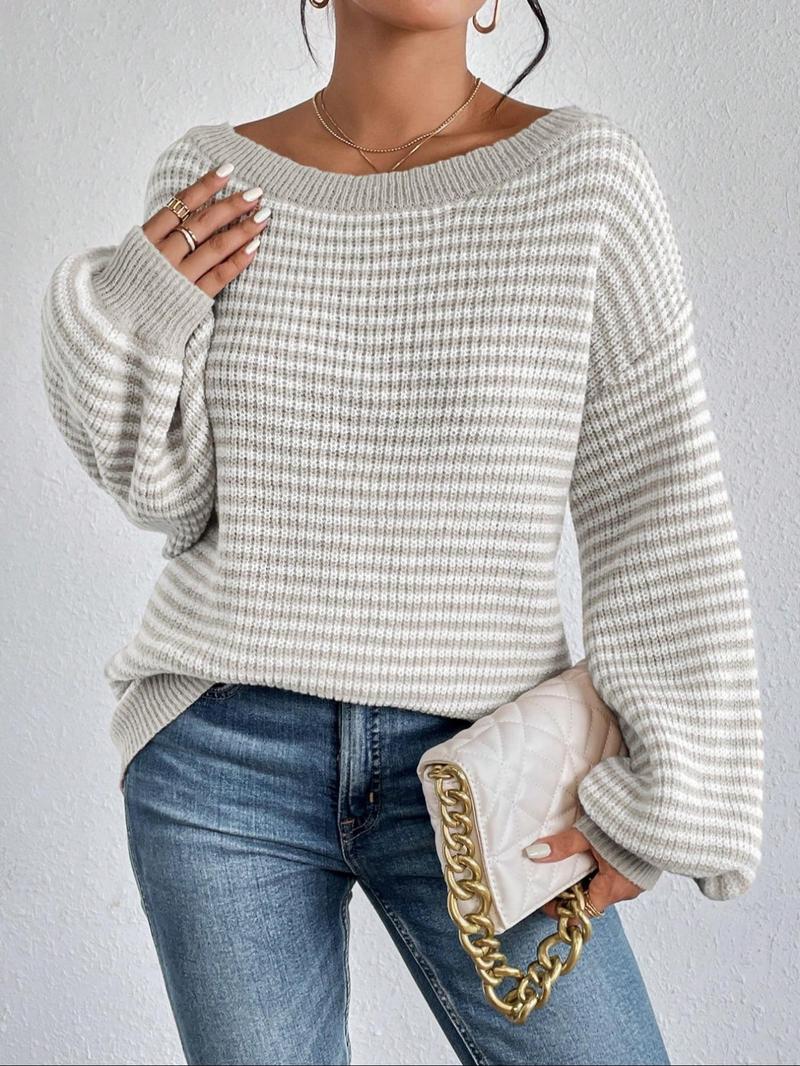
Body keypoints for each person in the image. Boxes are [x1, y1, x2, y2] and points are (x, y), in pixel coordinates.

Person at [39, 2, 763, 1063]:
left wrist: (669, 788)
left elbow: (654, 493)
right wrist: (131, 311)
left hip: (485, 768)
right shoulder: (211, 180)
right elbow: (169, 494)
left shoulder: (585, 180)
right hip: (219, 756)